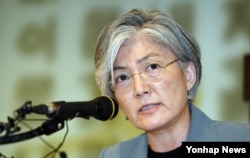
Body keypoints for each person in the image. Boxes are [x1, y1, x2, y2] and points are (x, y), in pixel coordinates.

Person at [94, 9, 250, 158]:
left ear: (188, 75)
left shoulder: (240, 140)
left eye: (153, 67)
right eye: (122, 77)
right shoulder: (113, 155)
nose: (140, 89)